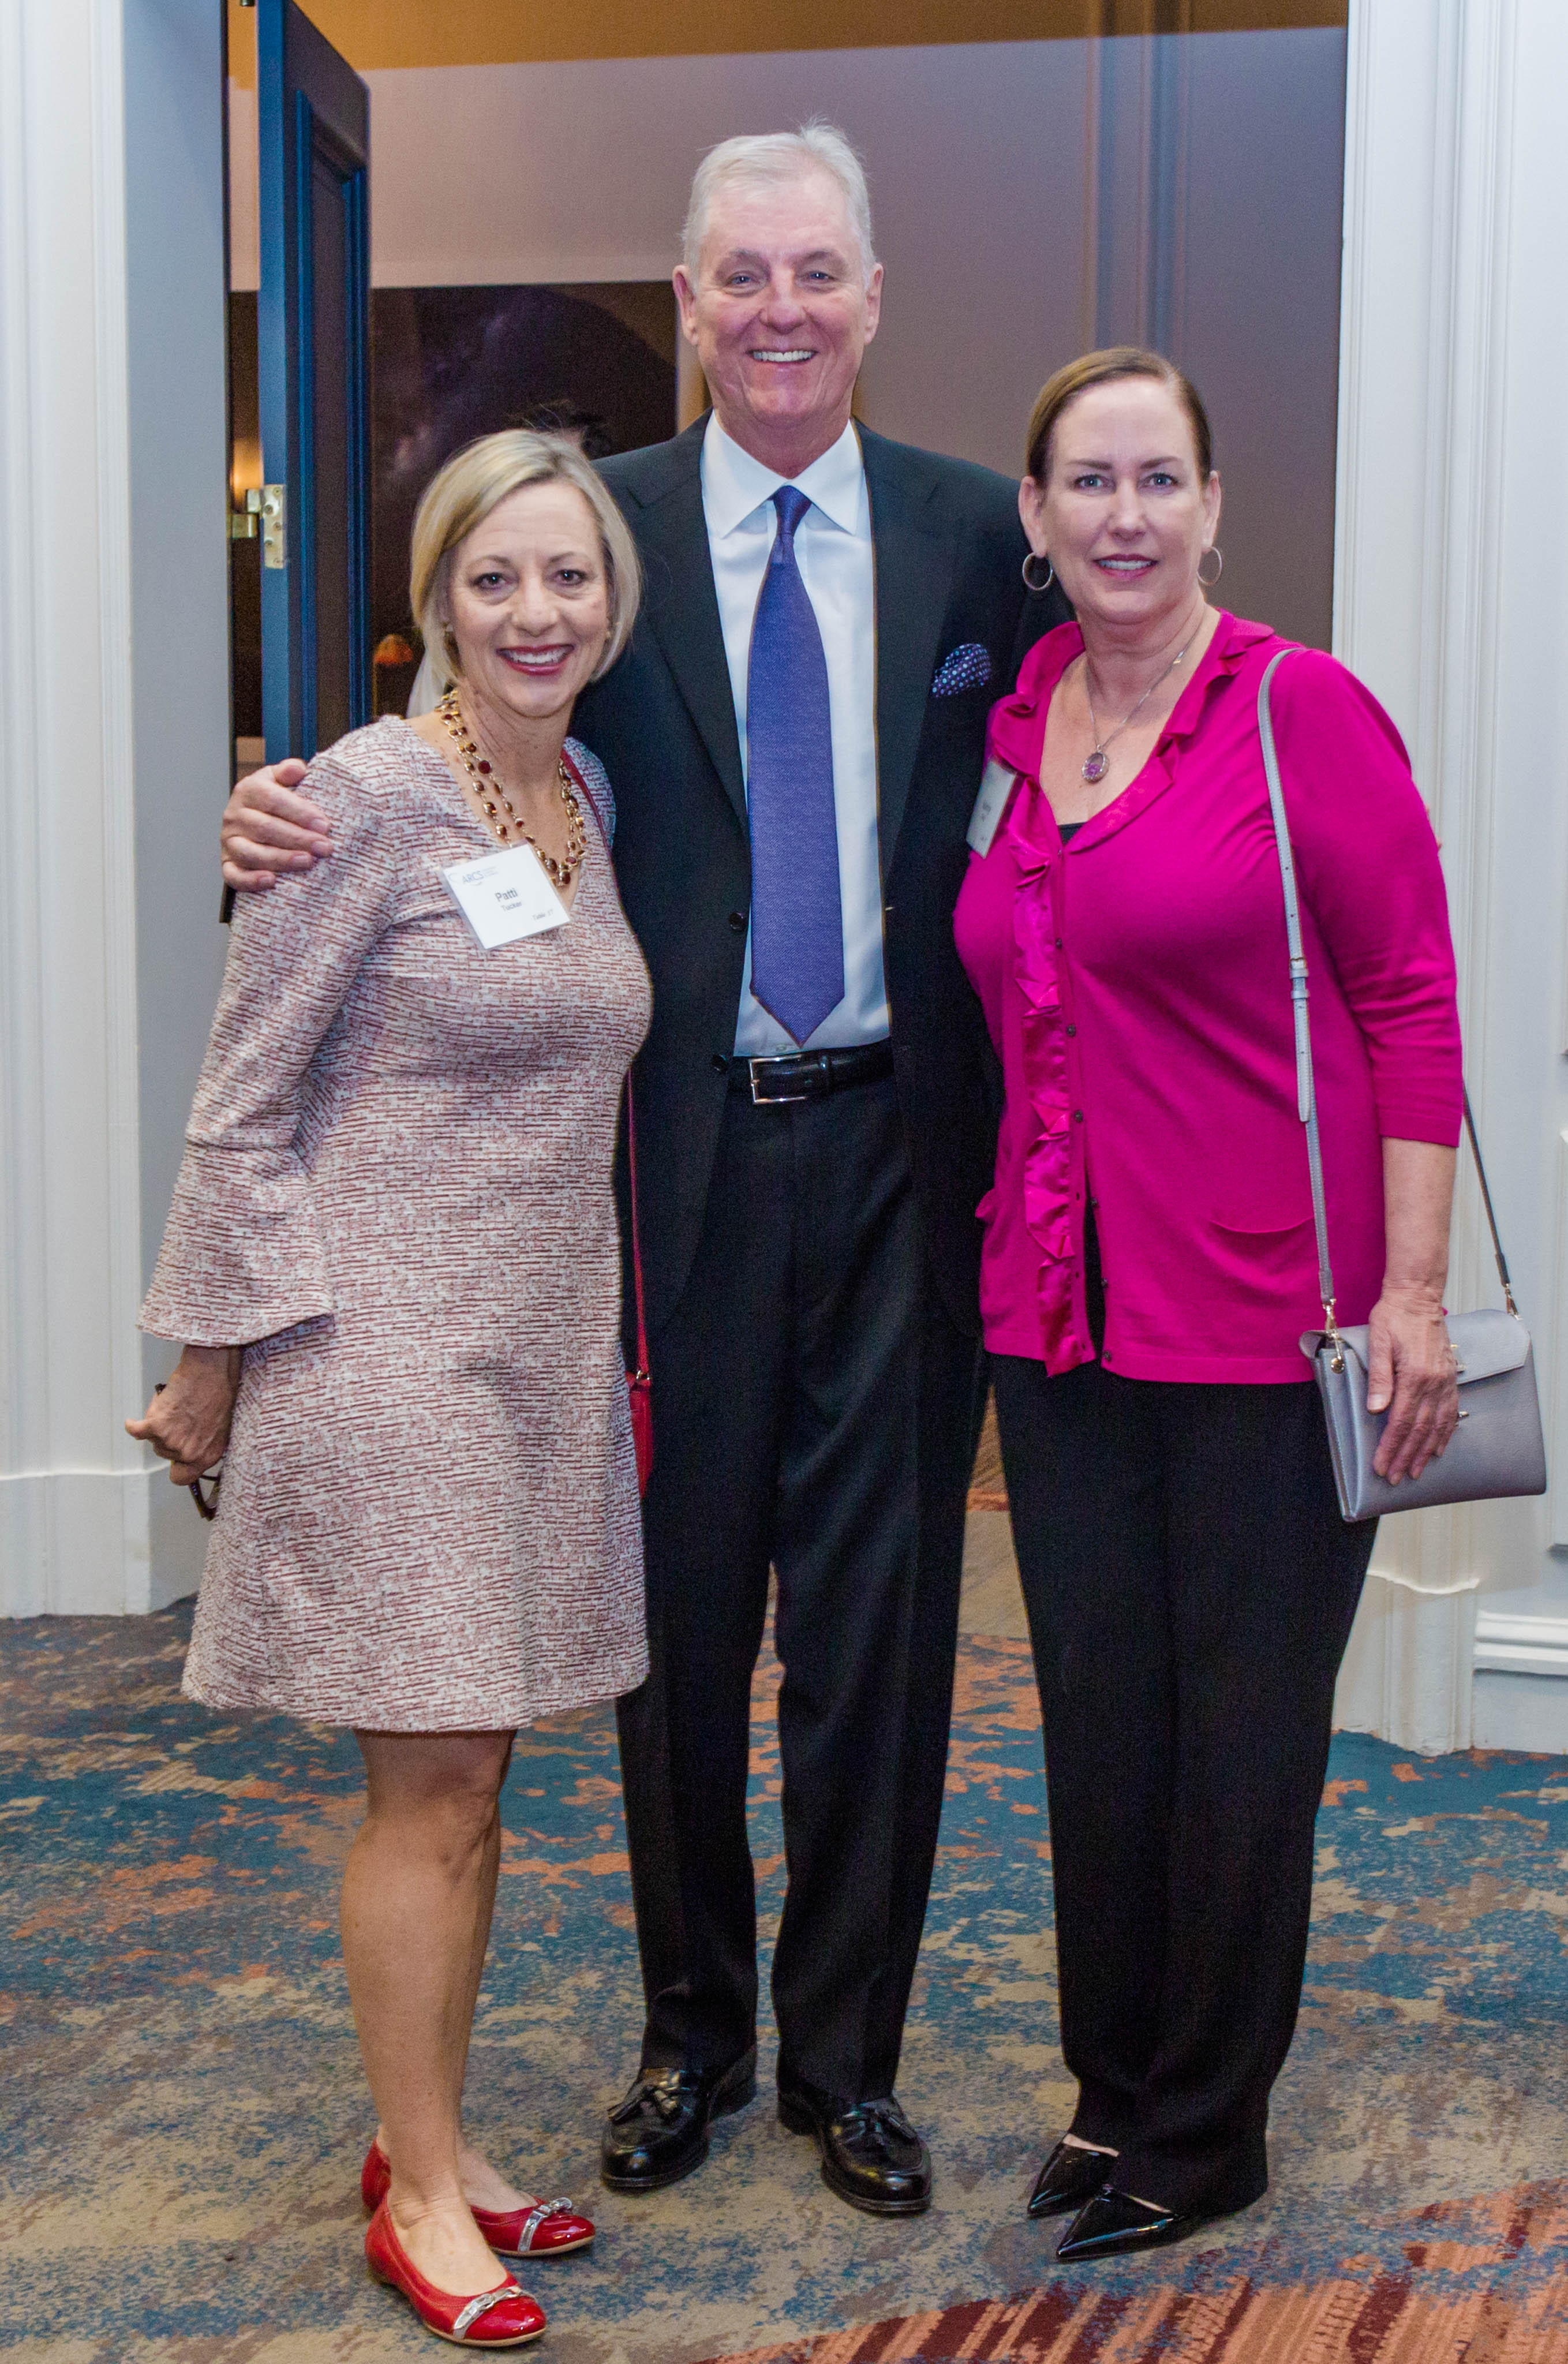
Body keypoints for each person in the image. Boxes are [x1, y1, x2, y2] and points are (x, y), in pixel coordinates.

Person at [216, 122, 1070, 2218]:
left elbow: (1118, 716)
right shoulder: (603, 533)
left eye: (816, 272)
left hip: (903, 1155)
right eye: (740, 276)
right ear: (690, 304)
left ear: (872, 299)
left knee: (879, 1631)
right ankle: (693, 2036)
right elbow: (474, 746)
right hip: (657, 1173)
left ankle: (848, 2062)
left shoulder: (984, 537)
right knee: (669, 1629)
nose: (780, 311)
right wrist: (285, 806)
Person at [129, 430, 650, 2346]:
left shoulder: (583, 789)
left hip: (540, 1351)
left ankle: (427, 2135)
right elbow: (241, 1100)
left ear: (614, 600)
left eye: (569, 576)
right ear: (437, 599)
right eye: (494, 578)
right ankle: (421, 2197)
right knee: (428, 1785)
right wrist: (214, 1360)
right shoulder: (355, 797)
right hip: (386, 1358)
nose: (536, 611)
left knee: (478, 1775)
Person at [953, 346, 1464, 2259]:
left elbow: (1410, 999)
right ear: (1035, 514)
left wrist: (1416, 1293)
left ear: (1214, 504)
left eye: (1159, 478)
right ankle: (1114, 2090)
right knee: (1100, 1723)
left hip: (1273, 1323)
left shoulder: (1292, 710)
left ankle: (1209, 2123)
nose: (1125, 516)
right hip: (1060, 1321)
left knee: (1241, 1738)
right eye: (1088, 481)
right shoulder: (1019, 727)